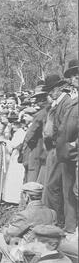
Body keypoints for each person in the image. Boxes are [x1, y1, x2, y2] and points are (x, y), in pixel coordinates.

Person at [0, 182, 57, 263]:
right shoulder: (52, 213)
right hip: (47, 257)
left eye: (22, 195)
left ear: (27, 196)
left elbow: (8, 237)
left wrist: (5, 228)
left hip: (30, 259)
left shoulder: (25, 215)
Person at [42, 74, 73, 227]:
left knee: (55, 187)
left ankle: (59, 221)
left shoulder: (67, 102)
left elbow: (64, 128)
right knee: (52, 187)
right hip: (54, 148)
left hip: (60, 148)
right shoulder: (55, 104)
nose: (50, 94)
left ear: (59, 88)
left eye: (52, 90)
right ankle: (56, 220)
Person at [55, 61, 78, 234]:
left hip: (75, 153)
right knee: (69, 192)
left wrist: (74, 145)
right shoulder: (74, 100)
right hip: (66, 154)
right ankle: (71, 228)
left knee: (76, 192)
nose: (75, 77)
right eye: (73, 74)